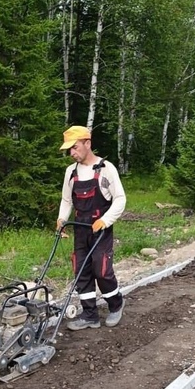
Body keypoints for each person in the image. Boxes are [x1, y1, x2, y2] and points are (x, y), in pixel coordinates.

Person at [57, 125, 126, 330]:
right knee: (81, 271)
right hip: (80, 228)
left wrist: (105, 220)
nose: (72, 153)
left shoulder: (106, 169)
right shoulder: (71, 172)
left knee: (101, 269)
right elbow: (66, 200)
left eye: (75, 147)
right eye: (69, 149)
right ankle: (89, 315)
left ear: (88, 144)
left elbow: (120, 199)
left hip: (100, 228)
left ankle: (116, 304)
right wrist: (62, 220)